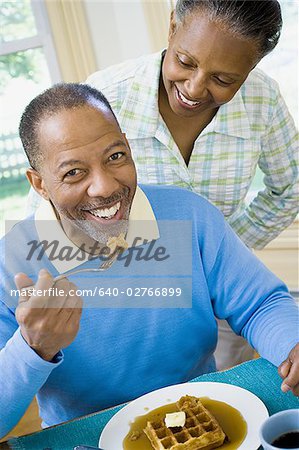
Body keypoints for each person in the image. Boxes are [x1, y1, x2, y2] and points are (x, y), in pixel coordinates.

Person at [0, 83, 298, 438]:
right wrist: (34, 347)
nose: (105, 187)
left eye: (115, 157)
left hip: (202, 413)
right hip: (83, 436)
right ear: (40, 184)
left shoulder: (191, 215)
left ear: (127, 145)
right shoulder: (10, 264)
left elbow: (260, 304)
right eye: (74, 172)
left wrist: (292, 344)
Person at [28, 0, 299, 370]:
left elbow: (291, 186)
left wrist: (224, 251)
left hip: (226, 303)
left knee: (217, 390)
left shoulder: (262, 100)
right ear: (172, 27)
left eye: (223, 80)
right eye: (185, 62)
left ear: (251, 68)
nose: (194, 88)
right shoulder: (103, 99)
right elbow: (49, 214)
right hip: (135, 308)